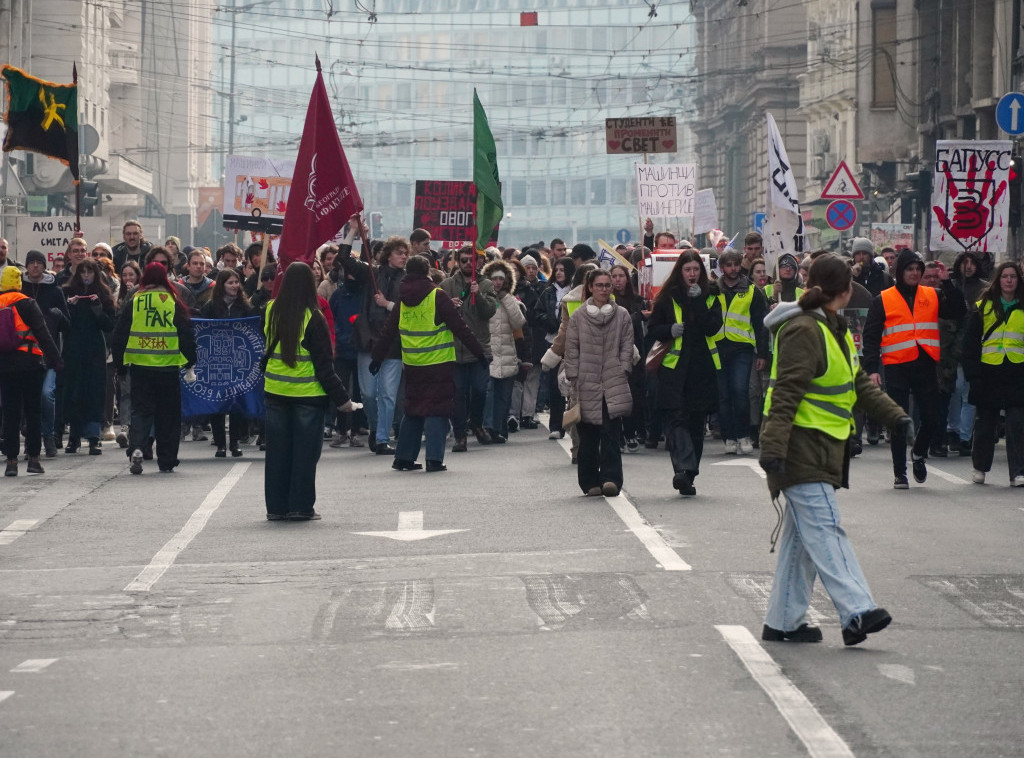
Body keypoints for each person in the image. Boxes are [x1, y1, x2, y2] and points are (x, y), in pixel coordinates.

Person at [758, 253, 909, 647]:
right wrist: (773, 447)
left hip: (820, 447)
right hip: (799, 449)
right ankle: (858, 611)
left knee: (802, 542)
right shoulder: (805, 330)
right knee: (826, 529)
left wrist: (895, 417)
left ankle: (782, 622)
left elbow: (857, 383)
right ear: (845, 291)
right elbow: (785, 393)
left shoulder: (830, 327)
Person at [261, 262, 359, 520]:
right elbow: (325, 366)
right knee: (304, 455)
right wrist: (344, 400)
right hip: (307, 395)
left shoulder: (270, 310)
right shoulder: (314, 317)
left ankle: (276, 508)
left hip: (275, 391)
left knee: (277, 453)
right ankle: (301, 507)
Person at [861, 249, 966, 488]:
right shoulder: (883, 299)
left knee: (932, 417)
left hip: (925, 363)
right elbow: (871, 337)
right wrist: (872, 369)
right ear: (900, 272)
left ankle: (918, 453)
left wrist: (947, 281)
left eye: (918, 269)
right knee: (899, 420)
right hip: (896, 365)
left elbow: (958, 310)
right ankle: (900, 473)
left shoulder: (933, 294)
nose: (915, 273)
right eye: (910, 269)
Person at [371, 255, 486, 472]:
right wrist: (480, 354)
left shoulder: (402, 299)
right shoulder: (437, 296)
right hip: (438, 362)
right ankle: (434, 459)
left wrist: (377, 358)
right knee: (438, 409)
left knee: (413, 408)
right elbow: (460, 328)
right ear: (427, 272)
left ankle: (403, 458)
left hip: (413, 363)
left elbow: (388, 332)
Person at [647, 251, 723, 497]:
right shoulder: (667, 296)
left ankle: (688, 475)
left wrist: (699, 300)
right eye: (688, 270)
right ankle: (682, 468)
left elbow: (712, 327)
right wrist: (669, 329)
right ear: (680, 271)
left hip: (701, 369)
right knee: (676, 419)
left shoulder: (712, 296)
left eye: (696, 270)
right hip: (674, 369)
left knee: (695, 423)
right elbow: (653, 329)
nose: (692, 274)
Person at [112, 262, 197, 474]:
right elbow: (186, 333)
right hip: (168, 368)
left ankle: (137, 447)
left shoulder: (135, 301)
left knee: (140, 411)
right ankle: (167, 460)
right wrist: (190, 361)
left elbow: (119, 334)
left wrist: (120, 366)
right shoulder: (173, 301)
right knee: (168, 416)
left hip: (140, 367)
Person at [563, 268, 635, 497]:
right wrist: (573, 375)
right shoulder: (579, 316)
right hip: (586, 381)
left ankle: (611, 479)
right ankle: (589, 481)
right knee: (588, 435)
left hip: (613, 380)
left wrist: (623, 368)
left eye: (607, 285)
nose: (604, 289)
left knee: (611, 432)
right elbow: (571, 347)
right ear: (590, 288)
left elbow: (627, 344)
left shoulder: (622, 315)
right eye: (599, 285)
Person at [339, 232, 409, 455]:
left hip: (394, 344)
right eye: (399, 253)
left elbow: (410, 309)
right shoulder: (372, 273)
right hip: (368, 341)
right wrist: (353, 232)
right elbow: (344, 259)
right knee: (368, 393)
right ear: (388, 255)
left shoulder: (408, 280)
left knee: (388, 395)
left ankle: (381, 438)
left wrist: (388, 304)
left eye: (406, 253)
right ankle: (375, 427)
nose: (404, 257)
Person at [961, 262, 1024, 486]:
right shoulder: (983, 306)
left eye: (1013, 276)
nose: (1009, 280)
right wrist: (973, 376)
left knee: (1017, 424)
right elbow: (969, 345)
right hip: (988, 373)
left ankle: (1018, 472)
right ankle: (980, 466)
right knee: (986, 425)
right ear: (998, 280)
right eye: (1005, 276)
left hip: (1017, 373)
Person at [0, 266, 63, 476]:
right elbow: (43, 333)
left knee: (10, 413)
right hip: (30, 363)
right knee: (33, 411)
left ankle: (11, 462)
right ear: (18, 282)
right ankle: (34, 460)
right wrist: (56, 360)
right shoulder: (27, 302)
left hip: (5, 366)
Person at [440, 246, 498, 451]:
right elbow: (437, 314)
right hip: (454, 348)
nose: (467, 264)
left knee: (481, 390)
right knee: (458, 394)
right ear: (457, 261)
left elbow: (489, 311)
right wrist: (448, 305)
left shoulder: (487, 284)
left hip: (479, 347)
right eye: (463, 260)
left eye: (471, 260)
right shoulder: (447, 284)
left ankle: (477, 423)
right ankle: (460, 435)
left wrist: (478, 294)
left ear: (478, 262)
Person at [714, 248, 769, 455]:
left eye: (736, 264)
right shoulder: (714, 290)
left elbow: (760, 324)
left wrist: (762, 353)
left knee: (739, 391)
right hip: (718, 347)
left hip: (742, 348)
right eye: (728, 265)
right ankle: (729, 437)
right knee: (723, 395)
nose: (733, 269)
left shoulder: (753, 291)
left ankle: (743, 435)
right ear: (722, 268)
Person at [61, 258, 116, 455]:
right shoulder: (68, 291)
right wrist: (70, 307)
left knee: (95, 391)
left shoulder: (103, 293)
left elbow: (109, 325)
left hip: (94, 349)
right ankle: (74, 436)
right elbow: (63, 324)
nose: (86, 276)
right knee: (74, 392)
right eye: (83, 272)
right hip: (74, 349)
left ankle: (93, 436)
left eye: (90, 272)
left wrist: (98, 309)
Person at [200, 268, 256, 457]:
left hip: (238, 363)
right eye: (230, 282)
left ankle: (234, 442)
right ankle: (220, 444)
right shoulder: (210, 307)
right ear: (222, 285)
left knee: (236, 404)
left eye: (236, 282)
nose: (234, 286)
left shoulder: (246, 307)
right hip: (216, 361)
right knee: (218, 403)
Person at [21, 249, 70, 458]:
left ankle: (49, 435)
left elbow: (67, 324)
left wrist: (58, 316)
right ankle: (30, 439)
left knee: (47, 395)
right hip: (25, 352)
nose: (35, 266)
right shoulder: (20, 288)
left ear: (44, 265)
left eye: (38, 262)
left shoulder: (54, 290)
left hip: (49, 353)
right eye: (31, 262)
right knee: (27, 397)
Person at [481, 258, 527, 443]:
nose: (498, 282)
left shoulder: (511, 300)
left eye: (501, 279)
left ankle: (499, 429)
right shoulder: (483, 299)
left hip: (507, 354)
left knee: (504, 397)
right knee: (489, 394)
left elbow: (519, 322)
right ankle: (487, 427)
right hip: (489, 354)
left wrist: (506, 297)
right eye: (494, 278)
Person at [535, 257, 575, 440]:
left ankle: (575, 424)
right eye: (556, 269)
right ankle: (556, 426)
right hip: (553, 342)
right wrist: (549, 321)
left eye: (562, 270)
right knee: (555, 385)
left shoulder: (575, 291)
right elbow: (538, 312)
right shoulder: (548, 291)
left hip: (573, 343)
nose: (559, 273)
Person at [610, 263, 648, 452]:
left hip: (636, 352)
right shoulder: (609, 301)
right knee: (617, 395)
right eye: (614, 276)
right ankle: (620, 434)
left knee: (634, 394)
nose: (617, 280)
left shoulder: (638, 300)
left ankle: (632, 431)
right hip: (614, 352)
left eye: (621, 276)